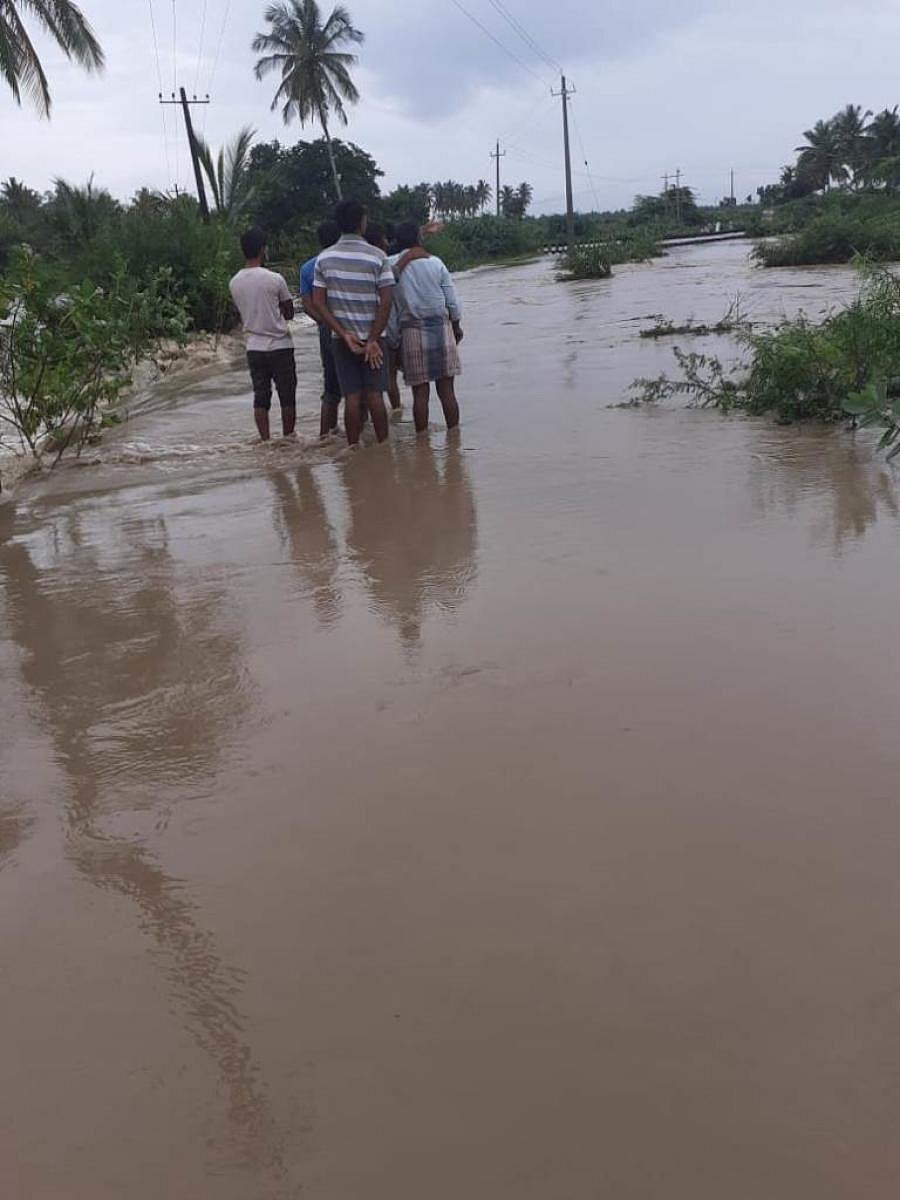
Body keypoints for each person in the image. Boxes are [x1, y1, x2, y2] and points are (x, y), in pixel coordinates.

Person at [313, 199, 395, 447]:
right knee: (375, 396)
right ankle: (383, 451)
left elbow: (319, 303)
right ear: (362, 223)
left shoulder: (324, 259)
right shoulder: (378, 256)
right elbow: (386, 301)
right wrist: (372, 339)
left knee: (351, 396)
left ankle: (353, 450)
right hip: (374, 338)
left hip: (342, 340)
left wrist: (343, 333)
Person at [387, 220, 462, 433]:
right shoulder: (436, 262)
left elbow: (388, 299)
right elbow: (452, 302)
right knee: (447, 391)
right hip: (441, 327)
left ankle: (423, 444)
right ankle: (454, 439)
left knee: (420, 394)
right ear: (419, 239)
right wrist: (456, 327)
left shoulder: (390, 264)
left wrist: (393, 341)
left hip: (411, 332)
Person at [229, 228, 297, 441]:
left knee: (261, 397)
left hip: (254, 347)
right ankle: (288, 439)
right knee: (287, 396)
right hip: (279, 345)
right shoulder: (275, 278)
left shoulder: (234, 282)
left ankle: (265, 441)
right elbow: (289, 312)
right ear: (263, 250)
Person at [299, 219, 342, 437]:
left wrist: (326, 323)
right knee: (360, 386)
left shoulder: (307, 267)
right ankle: (363, 435)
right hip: (354, 325)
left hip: (326, 330)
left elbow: (307, 305)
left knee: (331, 386)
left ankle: (326, 436)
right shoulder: (342, 262)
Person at [364, 222, 402, 412]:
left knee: (363, 386)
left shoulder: (360, 262)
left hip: (355, 332)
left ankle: (366, 425)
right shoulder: (382, 261)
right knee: (388, 377)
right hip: (384, 330)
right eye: (385, 239)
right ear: (380, 242)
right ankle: (395, 413)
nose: (387, 243)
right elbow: (394, 276)